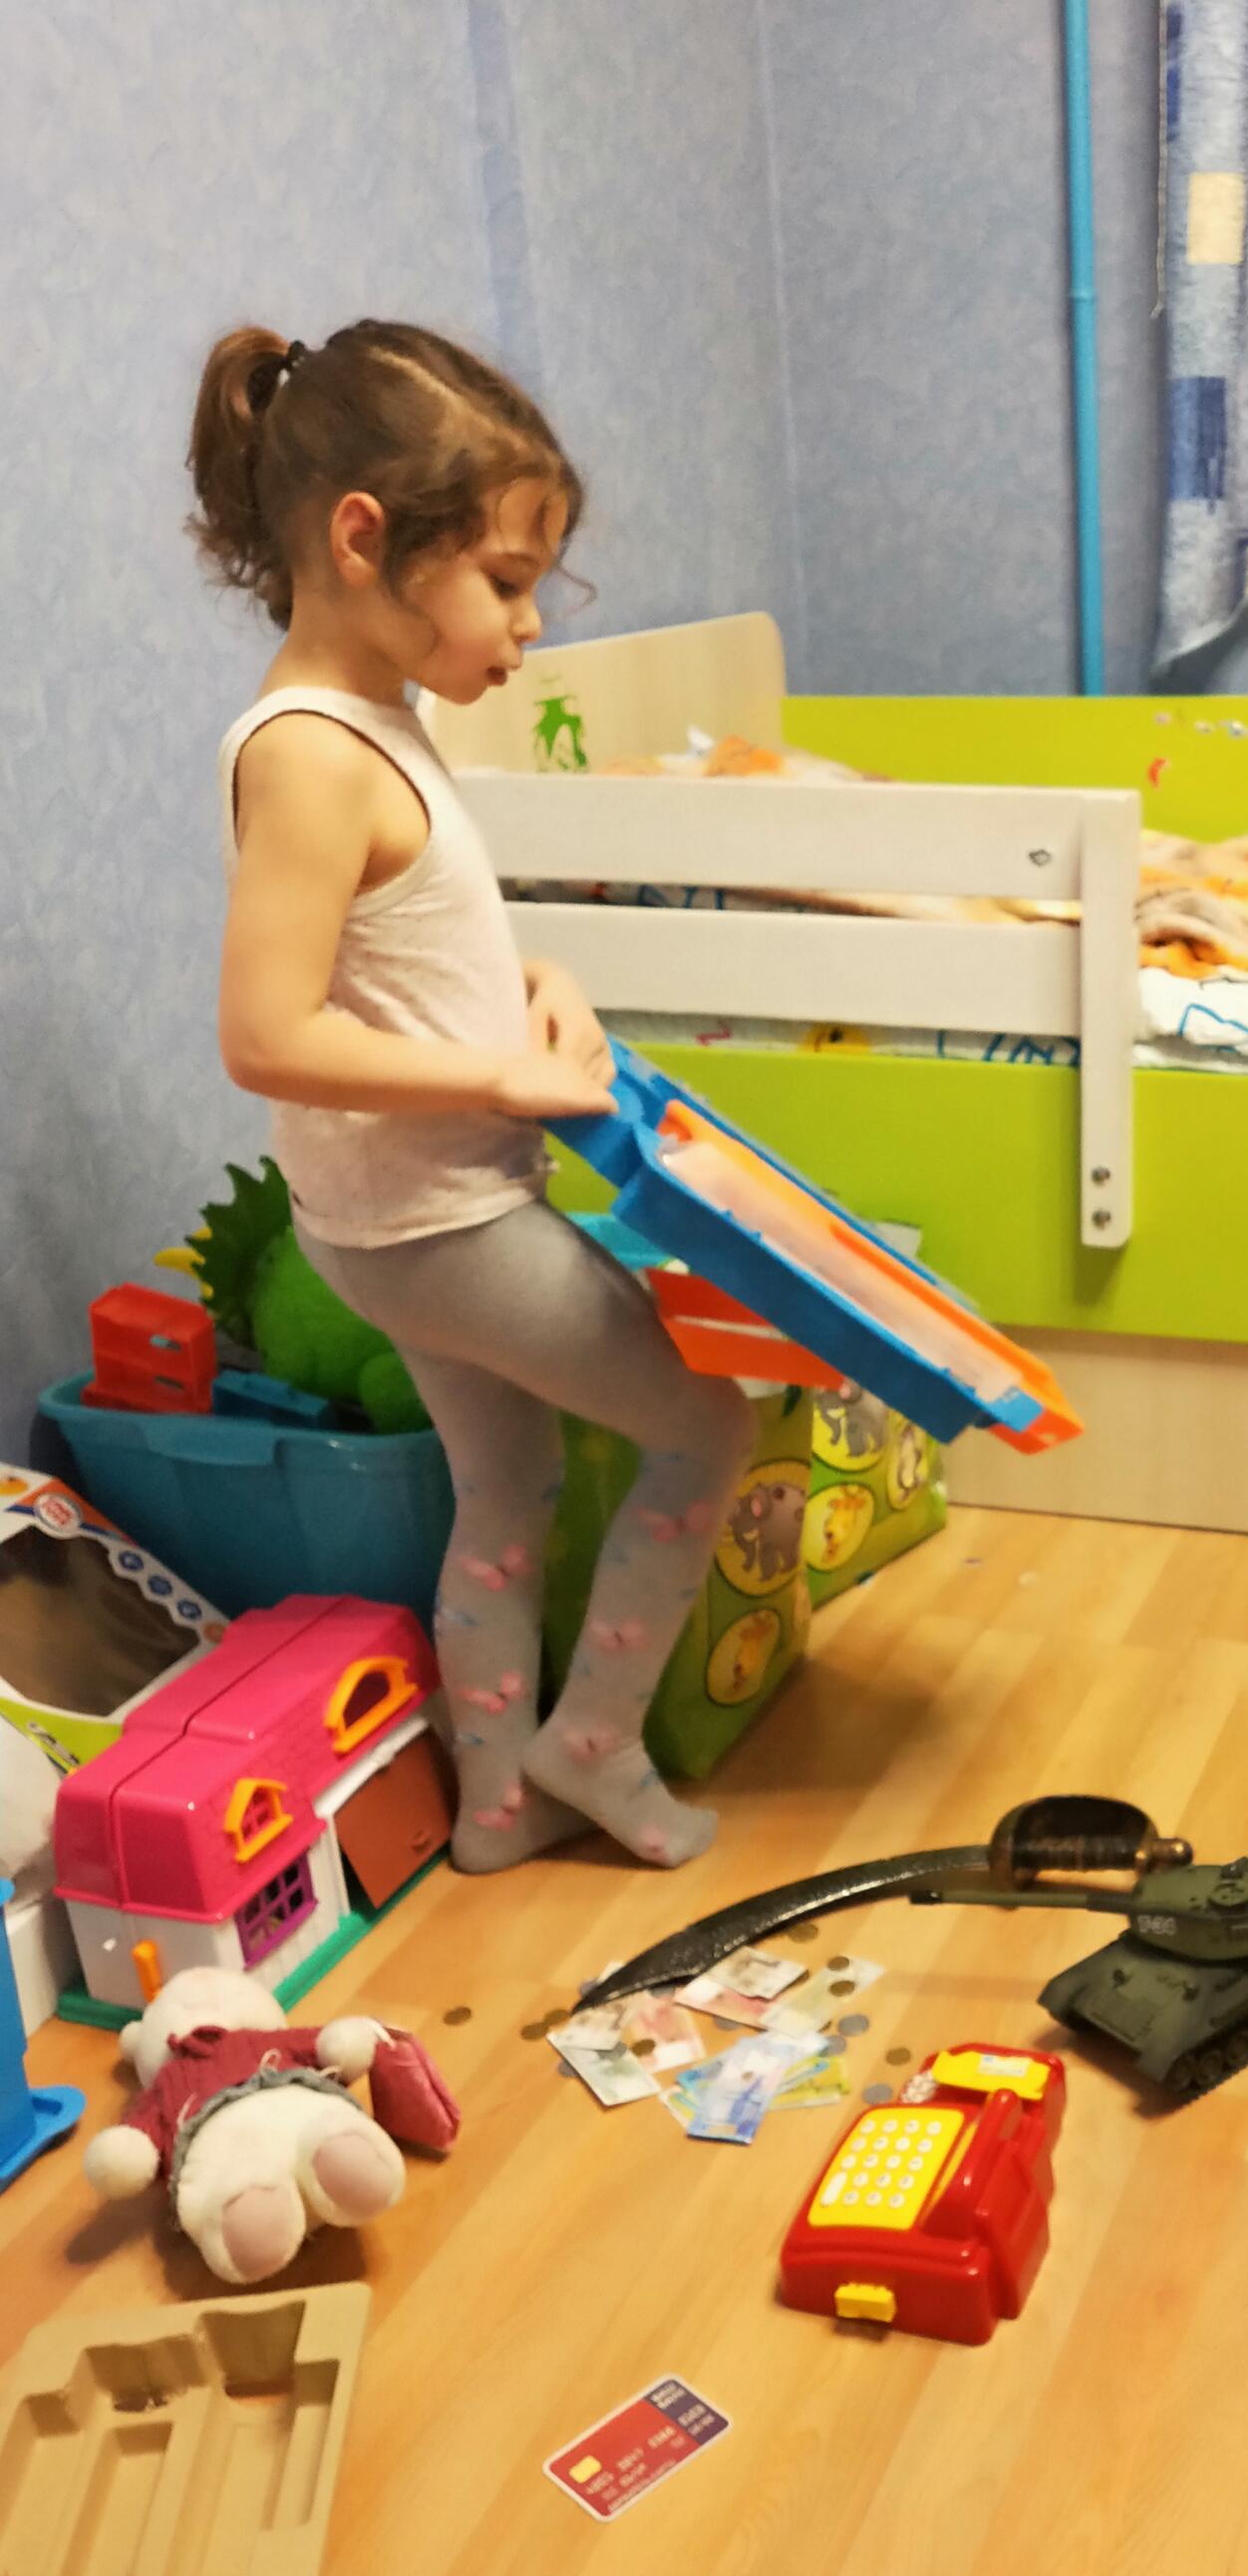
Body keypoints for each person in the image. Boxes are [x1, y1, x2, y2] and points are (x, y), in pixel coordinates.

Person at [192, 320, 751, 1873]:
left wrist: (532, 988)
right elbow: (267, 1033)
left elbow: (399, 958)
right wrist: (499, 1072)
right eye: (506, 580)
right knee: (705, 1429)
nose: (527, 624)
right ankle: (594, 1740)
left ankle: (497, 1809)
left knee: (505, 1482)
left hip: (407, 1217)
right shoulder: (311, 757)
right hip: (437, 1222)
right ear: (363, 540)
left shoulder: (379, 725)